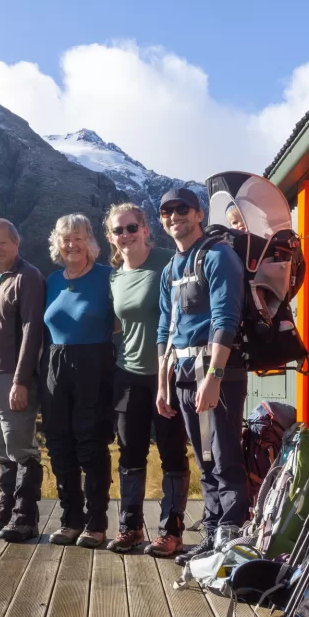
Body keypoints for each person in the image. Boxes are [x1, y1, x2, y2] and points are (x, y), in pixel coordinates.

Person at [154, 188, 248, 563]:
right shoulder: (169, 269)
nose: (173, 216)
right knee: (204, 458)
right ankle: (212, 535)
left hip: (214, 369)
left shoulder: (218, 256)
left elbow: (227, 318)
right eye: (165, 211)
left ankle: (229, 543)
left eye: (181, 209)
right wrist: (162, 385)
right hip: (182, 373)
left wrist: (214, 376)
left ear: (198, 214)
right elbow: (165, 329)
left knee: (225, 457)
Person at [102, 203, 191, 557]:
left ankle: (171, 531)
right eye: (118, 230)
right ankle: (130, 528)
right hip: (128, 375)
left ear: (145, 229)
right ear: (110, 237)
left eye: (131, 228)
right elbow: (117, 324)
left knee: (172, 451)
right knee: (130, 452)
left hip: (167, 373)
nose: (125, 235)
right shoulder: (114, 277)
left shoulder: (168, 262)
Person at [41, 213, 115, 548]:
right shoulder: (52, 280)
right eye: (65, 238)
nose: (72, 244)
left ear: (91, 243)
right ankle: (70, 520)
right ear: (57, 243)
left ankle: (96, 523)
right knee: (59, 445)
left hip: (94, 362)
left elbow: (123, 320)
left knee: (90, 443)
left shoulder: (107, 277)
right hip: (55, 363)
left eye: (79, 238)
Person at [0, 218, 47, 542]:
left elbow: (33, 330)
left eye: (2, 242)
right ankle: (4, 510)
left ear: (16, 243)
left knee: (20, 444)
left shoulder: (27, 277)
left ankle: (25, 517)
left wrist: (20, 380)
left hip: (12, 376)